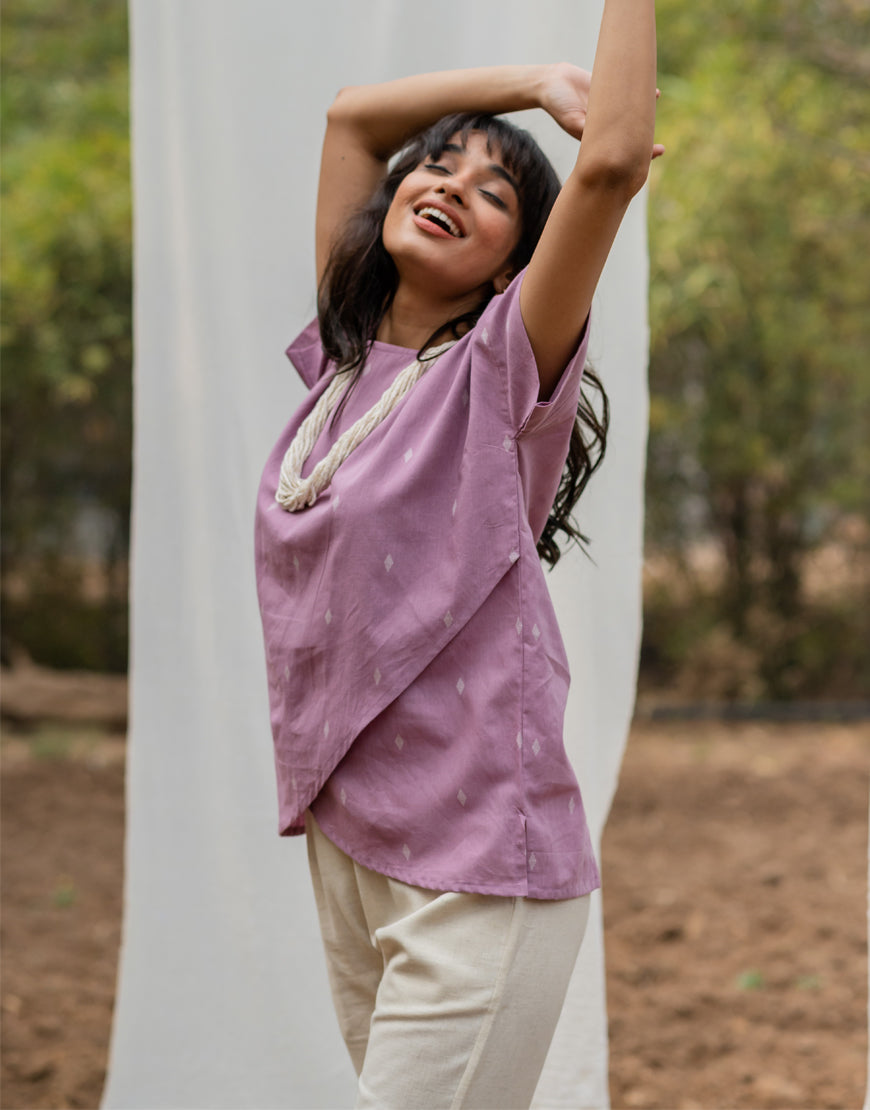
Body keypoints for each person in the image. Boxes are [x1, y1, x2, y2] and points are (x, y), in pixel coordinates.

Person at [255, 3, 662, 1105]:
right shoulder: (342, 369)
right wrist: (528, 81)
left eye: (494, 194)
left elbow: (615, 160)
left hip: (481, 862)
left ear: (509, 270)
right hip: (354, 849)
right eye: (436, 168)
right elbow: (350, 120)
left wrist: (588, 79)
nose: (449, 187)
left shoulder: (497, 374)